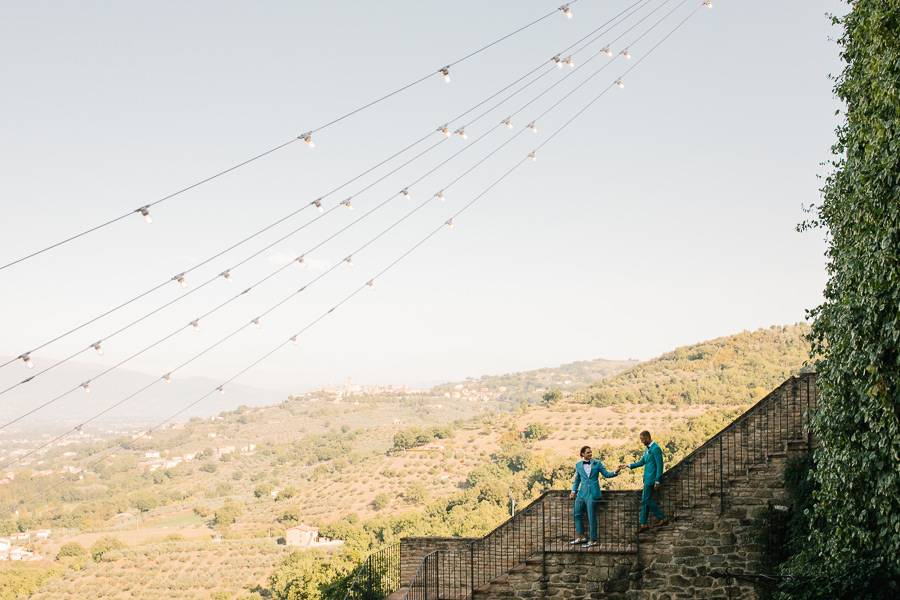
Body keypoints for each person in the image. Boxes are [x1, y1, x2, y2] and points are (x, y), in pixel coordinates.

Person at [569, 445, 620, 548]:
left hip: (592, 494)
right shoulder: (578, 465)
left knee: (591, 516)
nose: (590, 454)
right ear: (582, 454)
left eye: (591, 452)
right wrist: (573, 491)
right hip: (581, 494)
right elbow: (577, 480)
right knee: (576, 513)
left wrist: (615, 471)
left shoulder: (597, 463)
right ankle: (581, 537)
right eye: (588, 452)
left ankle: (593, 540)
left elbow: (606, 474)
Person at [619, 430, 669, 534]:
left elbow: (660, 466)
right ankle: (643, 524)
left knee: (646, 500)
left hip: (652, 480)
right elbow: (642, 462)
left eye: (642, 440)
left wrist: (658, 481)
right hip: (646, 479)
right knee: (644, 500)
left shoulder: (656, 449)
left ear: (647, 438)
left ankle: (662, 518)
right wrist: (628, 465)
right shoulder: (647, 449)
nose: (641, 442)